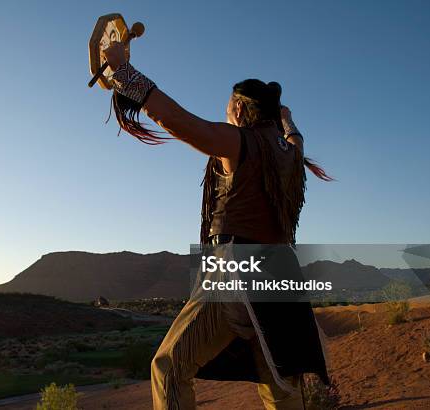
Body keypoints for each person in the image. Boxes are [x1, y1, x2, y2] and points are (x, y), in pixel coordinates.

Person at [101, 42, 332, 410]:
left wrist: (123, 72)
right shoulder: (288, 154)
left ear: (239, 108)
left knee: (168, 368)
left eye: (227, 107)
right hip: (282, 278)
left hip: (236, 274)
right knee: (281, 391)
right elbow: (295, 137)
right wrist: (285, 117)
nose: (225, 113)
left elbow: (178, 122)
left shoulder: (241, 141)